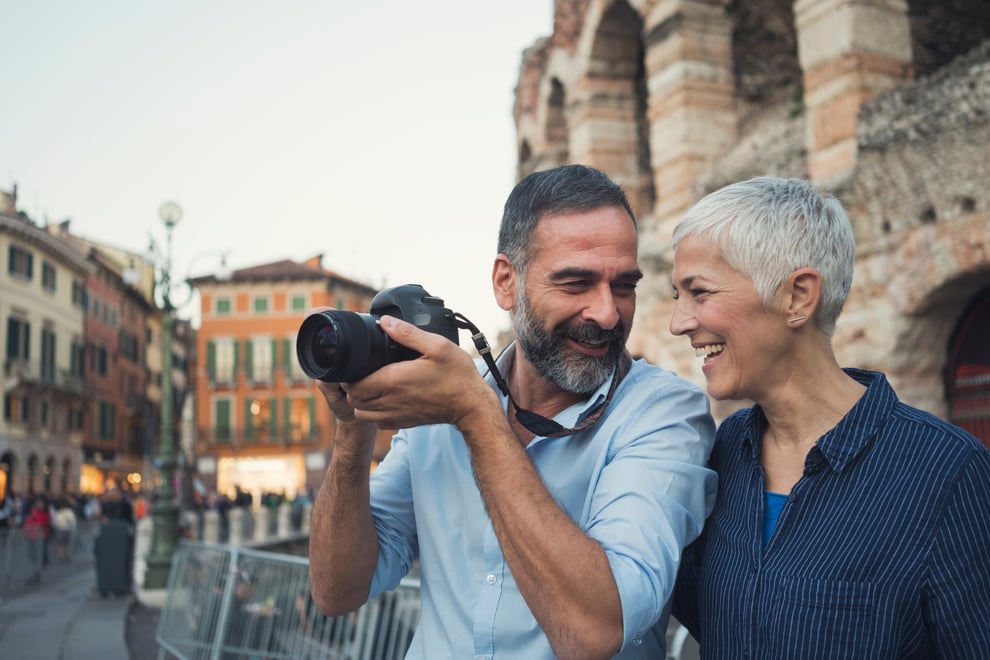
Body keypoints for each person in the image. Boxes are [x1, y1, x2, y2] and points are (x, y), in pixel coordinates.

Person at [308, 164, 717, 658]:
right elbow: (337, 590)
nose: (608, 313)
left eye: (624, 286)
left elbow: (594, 631)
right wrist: (352, 428)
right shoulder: (440, 412)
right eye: (575, 283)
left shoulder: (664, 415)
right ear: (506, 283)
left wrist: (477, 416)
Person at [668, 176, 990, 658]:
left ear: (798, 296)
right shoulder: (724, 451)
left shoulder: (946, 472)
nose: (679, 322)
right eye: (678, 296)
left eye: (699, 292)